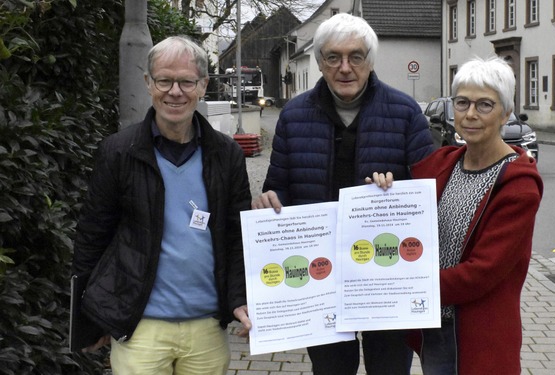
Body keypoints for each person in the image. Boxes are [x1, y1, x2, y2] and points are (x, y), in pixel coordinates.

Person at [251, 13, 435, 375]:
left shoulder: (405, 113)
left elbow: (428, 196)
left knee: (390, 368)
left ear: (371, 61)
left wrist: (395, 194)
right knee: (331, 369)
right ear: (319, 62)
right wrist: (269, 203)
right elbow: (279, 187)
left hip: (385, 275)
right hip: (322, 276)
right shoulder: (294, 115)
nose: (345, 67)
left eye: (356, 56)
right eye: (333, 57)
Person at [72, 36, 252, 374]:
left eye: (186, 81)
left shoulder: (227, 154)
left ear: (203, 85)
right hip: (140, 327)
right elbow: (92, 236)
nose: (175, 91)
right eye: (164, 80)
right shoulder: (118, 152)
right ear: (148, 83)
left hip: (208, 328)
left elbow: (237, 237)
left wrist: (240, 300)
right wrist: (89, 322)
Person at [372, 55, 544, 374]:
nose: (470, 114)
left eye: (484, 105)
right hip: (433, 326)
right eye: (462, 103)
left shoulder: (518, 186)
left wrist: (405, 287)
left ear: (506, 113)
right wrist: (383, 196)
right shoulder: (442, 163)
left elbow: (481, 272)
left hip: (479, 335)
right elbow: (406, 223)